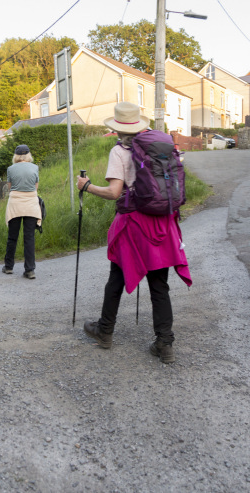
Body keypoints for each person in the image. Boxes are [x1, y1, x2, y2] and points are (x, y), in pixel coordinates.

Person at [76, 101, 192, 364]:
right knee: (159, 284)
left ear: (117, 128)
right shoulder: (158, 148)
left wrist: (87, 186)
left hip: (133, 223)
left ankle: (104, 331)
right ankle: (165, 343)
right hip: (161, 221)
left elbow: (114, 193)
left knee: (116, 276)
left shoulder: (119, 152)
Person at [3, 144, 42, 279]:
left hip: (15, 204)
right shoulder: (35, 168)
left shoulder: (10, 169)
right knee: (29, 237)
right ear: (28, 155)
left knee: (12, 237)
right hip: (31, 203)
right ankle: (29, 270)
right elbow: (35, 187)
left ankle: (8, 267)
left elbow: (10, 187)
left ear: (16, 155)